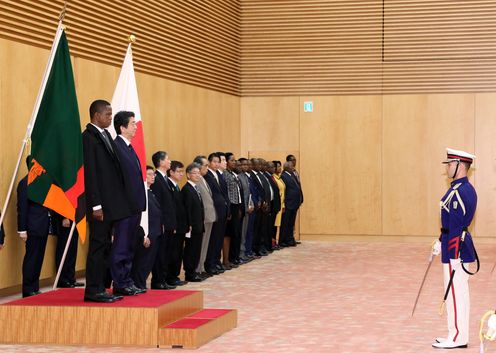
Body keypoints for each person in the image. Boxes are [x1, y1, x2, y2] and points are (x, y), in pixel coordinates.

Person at [82, 100, 138, 303]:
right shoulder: (88, 137)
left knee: (105, 245)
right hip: (99, 206)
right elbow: (91, 174)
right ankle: (93, 290)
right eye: (107, 114)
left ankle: (101, 287)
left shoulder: (105, 135)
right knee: (97, 247)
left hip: (110, 205)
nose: (110, 118)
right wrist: (96, 205)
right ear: (96, 115)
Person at [431, 148, 477, 349]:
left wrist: (453, 252)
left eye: (450, 164)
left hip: (456, 250)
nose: (447, 167)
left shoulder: (459, 192)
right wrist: (440, 240)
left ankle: (458, 337)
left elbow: (457, 227)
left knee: (456, 294)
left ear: (460, 166)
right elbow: (449, 224)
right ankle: (455, 333)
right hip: (453, 247)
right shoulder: (458, 189)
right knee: (455, 294)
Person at [112, 111, 147, 296]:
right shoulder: (116, 147)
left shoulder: (129, 147)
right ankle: (120, 282)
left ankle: (127, 280)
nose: (136, 126)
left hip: (134, 206)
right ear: (122, 127)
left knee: (130, 246)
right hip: (124, 207)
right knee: (121, 246)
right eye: (132, 123)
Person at [17, 159, 51, 297]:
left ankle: (35, 286)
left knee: (39, 257)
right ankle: (27, 288)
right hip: (31, 227)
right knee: (31, 258)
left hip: (42, 226)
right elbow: (22, 208)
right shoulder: (25, 183)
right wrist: (22, 230)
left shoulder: (40, 184)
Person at [131, 166, 162, 290]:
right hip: (147, 233)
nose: (153, 176)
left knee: (148, 262)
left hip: (154, 232)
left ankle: (141, 283)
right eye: (149, 174)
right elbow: (142, 215)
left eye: (153, 174)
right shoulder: (141, 193)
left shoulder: (149, 192)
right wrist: (145, 235)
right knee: (142, 262)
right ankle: (138, 284)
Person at [150, 151, 176, 290]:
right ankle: (158, 280)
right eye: (167, 159)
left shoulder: (164, 178)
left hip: (169, 222)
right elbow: (158, 203)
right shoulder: (157, 179)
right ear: (160, 162)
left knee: (167, 252)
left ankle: (163, 278)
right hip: (162, 223)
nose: (170, 161)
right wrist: (163, 222)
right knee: (161, 253)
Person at [204, 153, 229, 275]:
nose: (216, 164)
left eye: (218, 162)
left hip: (222, 211)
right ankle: (210, 264)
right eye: (214, 161)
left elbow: (224, 194)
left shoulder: (219, 174)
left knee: (219, 238)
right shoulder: (207, 175)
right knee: (213, 239)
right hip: (214, 211)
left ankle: (216, 261)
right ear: (209, 162)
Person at [193, 155, 216, 279]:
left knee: (205, 243)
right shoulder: (196, 180)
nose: (207, 168)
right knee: (200, 244)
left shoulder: (203, 179)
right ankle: (197, 269)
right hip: (203, 217)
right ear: (198, 166)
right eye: (205, 165)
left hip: (209, 216)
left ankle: (201, 268)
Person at [166, 161, 188, 286]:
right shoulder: (169, 185)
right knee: (173, 252)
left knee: (178, 252)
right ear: (171, 172)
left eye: (182, 171)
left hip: (180, 226)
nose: (181, 174)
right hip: (174, 226)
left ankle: (175, 275)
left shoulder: (176, 185)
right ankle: (171, 276)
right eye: (179, 171)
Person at [182, 163, 205, 282]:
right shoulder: (186, 189)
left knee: (196, 249)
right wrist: (189, 224)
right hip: (192, 226)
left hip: (199, 225)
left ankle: (194, 271)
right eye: (194, 173)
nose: (197, 175)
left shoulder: (196, 188)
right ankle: (189, 273)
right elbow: (187, 209)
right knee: (190, 250)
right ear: (188, 175)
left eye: (198, 173)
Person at [53, 214, 83, 288]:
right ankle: (62, 279)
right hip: (64, 218)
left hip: (74, 218)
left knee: (72, 250)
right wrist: (63, 217)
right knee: (64, 250)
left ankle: (70, 278)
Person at [224, 153, 243, 268]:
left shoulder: (233, 174)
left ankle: (233, 258)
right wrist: (229, 209)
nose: (234, 162)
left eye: (235, 160)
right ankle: (226, 260)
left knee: (235, 233)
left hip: (237, 205)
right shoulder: (225, 175)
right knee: (229, 233)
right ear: (226, 162)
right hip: (231, 206)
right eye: (232, 160)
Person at [279, 161, 303, 247]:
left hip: (294, 203)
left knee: (291, 223)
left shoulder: (292, 175)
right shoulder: (283, 176)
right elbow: (284, 191)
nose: (293, 168)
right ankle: (282, 241)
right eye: (292, 166)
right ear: (287, 168)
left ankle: (290, 239)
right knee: (285, 223)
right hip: (288, 203)